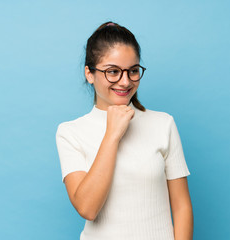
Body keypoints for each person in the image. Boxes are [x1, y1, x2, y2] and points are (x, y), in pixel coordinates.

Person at [56, 21, 193, 240]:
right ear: (89, 74)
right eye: (113, 72)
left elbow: (182, 207)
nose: (125, 81)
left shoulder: (163, 124)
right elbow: (87, 208)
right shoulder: (70, 132)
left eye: (133, 71)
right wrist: (112, 134)